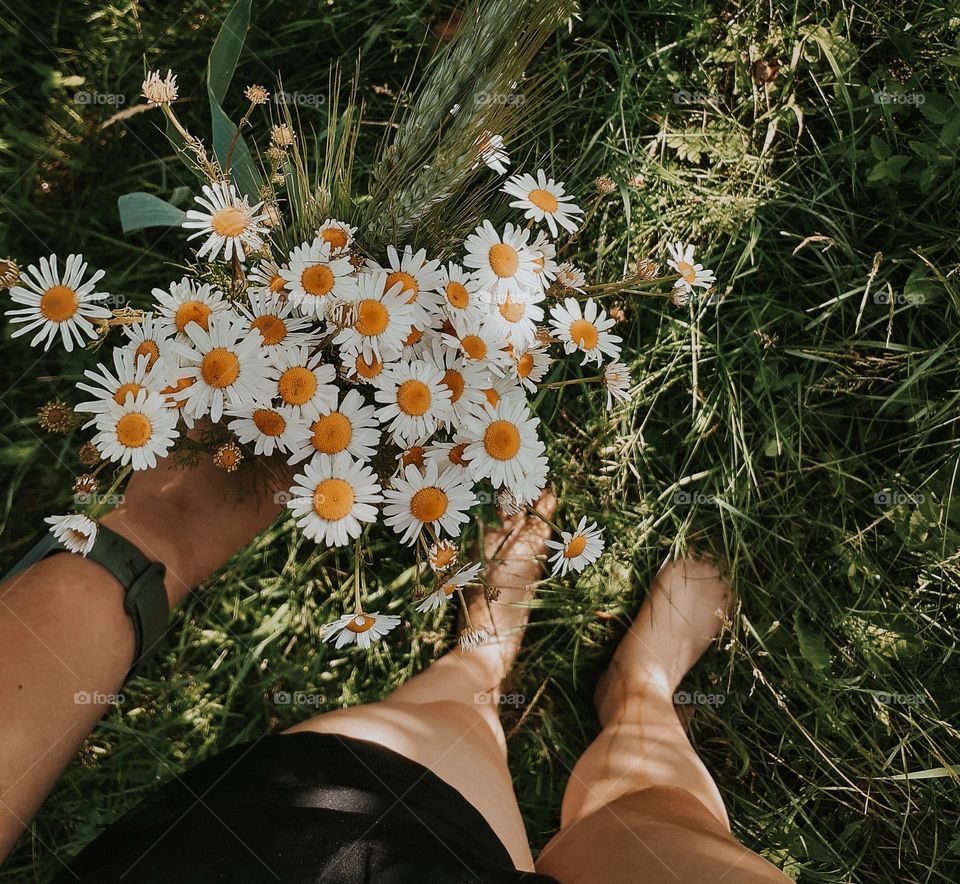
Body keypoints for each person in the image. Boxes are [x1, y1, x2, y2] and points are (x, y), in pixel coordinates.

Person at [0, 447, 790, 882]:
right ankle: (641, 691)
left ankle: (483, 660)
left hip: (285, 853)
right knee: (651, 824)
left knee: (439, 726)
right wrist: (153, 543)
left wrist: (156, 540)